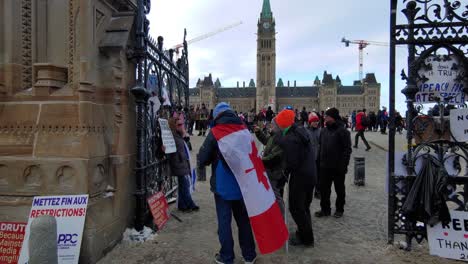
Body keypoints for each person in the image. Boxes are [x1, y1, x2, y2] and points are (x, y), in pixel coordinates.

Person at [198, 103, 257, 264]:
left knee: (224, 222)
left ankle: (226, 257)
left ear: (217, 116)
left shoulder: (216, 132)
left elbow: (203, 157)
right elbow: (253, 155)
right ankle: (249, 255)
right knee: (243, 221)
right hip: (242, 184)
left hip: (223, 185)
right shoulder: (244, 131)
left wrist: (210, 160)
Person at [275, 109, 317, 247]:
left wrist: (283, 177)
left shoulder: (291, 138)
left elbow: (291, 162)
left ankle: (307, 238)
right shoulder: (301, 131)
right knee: (304, 206)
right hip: (310, 174)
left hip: (300, 177)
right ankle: (304, 232)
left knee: (296, 208)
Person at [315, 108, 352, 218]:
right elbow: (320, 147)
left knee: (339, 189)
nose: (325, 118)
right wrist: (318, 162)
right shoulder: (323, 131)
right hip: (324, 166)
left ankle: (339, 209)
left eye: (327, 116)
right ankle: (325, 209)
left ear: (333, 117)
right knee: (324, 190)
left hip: (337, 167)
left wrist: (343, 165)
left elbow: (347, 150)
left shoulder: (343, 131)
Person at [165, 116, 199, 212]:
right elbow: (167, 151)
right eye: (179, 125)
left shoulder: (178, 135)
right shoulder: (172, 136)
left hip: (183, 162)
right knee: (185, 185)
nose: (181, 126)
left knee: (182, 185)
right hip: (178, 163)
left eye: (182, 124)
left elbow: (187, 145)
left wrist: (185, 134)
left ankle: (182, 205)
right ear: (173, 126)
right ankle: (190, 203)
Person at [254, 120, 287, 216]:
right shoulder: (274, 135)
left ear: (278, 126)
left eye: (272, 125)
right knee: (272, 193)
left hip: (274, 170)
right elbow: (266, 141)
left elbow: (274, 156)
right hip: (270, 168)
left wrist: (261, 160)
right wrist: (259, 133)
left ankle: (281, 217)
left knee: (276, 195)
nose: (270, 126)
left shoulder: (280, 138)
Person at [307, 112, 321, 199]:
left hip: (318, 157)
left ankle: (317, 191)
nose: (316, 123)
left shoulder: (320, 131)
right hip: (309, 158)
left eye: (317, 121)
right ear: (310, 122)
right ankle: (308, 191)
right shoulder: (306, 131)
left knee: (318, 176)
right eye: (314, 121)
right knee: (310, 176)